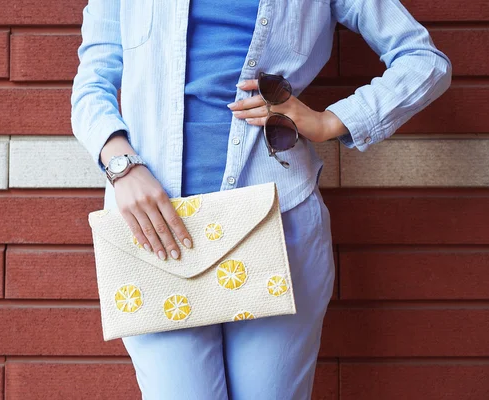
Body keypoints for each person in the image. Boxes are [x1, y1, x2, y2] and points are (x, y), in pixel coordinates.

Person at [71, 0, 452, 398]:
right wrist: (122, 166)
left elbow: (423, 61)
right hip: (155, 234)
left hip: (280, 225)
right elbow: (92, 82)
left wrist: (329, 122)